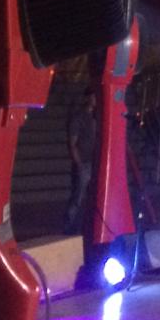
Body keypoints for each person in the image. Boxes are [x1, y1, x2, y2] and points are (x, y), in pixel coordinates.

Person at [64, 85, 98, 235]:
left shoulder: (95, 117)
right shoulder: (79, 117)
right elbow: (72, 142)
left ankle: (82, 224)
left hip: (93, 161)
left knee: (89, 195)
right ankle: (69, 224)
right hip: (83, 162)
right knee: (78, 195)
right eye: (93, 96)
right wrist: (78, 164)